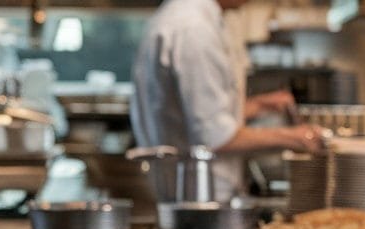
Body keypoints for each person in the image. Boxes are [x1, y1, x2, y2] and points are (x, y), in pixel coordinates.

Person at [130, 0, 325, 202]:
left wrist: (258, 106)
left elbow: (198, 114)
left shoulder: (190, 18)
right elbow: (215, 136)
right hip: (199, 199)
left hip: (193, 195)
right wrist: (297, 137)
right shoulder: (194, 30)